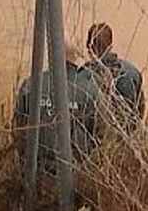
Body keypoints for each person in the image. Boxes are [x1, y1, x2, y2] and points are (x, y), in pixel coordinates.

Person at [14, 39, 101, 170]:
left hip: (33, 171)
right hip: (75, 172)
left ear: (51, 54)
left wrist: (24, 158)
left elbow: (18, 127)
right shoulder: (89, 90)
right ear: (76, 56)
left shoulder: (31, 84)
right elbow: (100, 134)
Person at [82, 22, 145, 126]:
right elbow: (140, 109)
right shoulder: (132, 72)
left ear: (89, 47)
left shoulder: (83, 77)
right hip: (128, 134)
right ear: (111, 45)